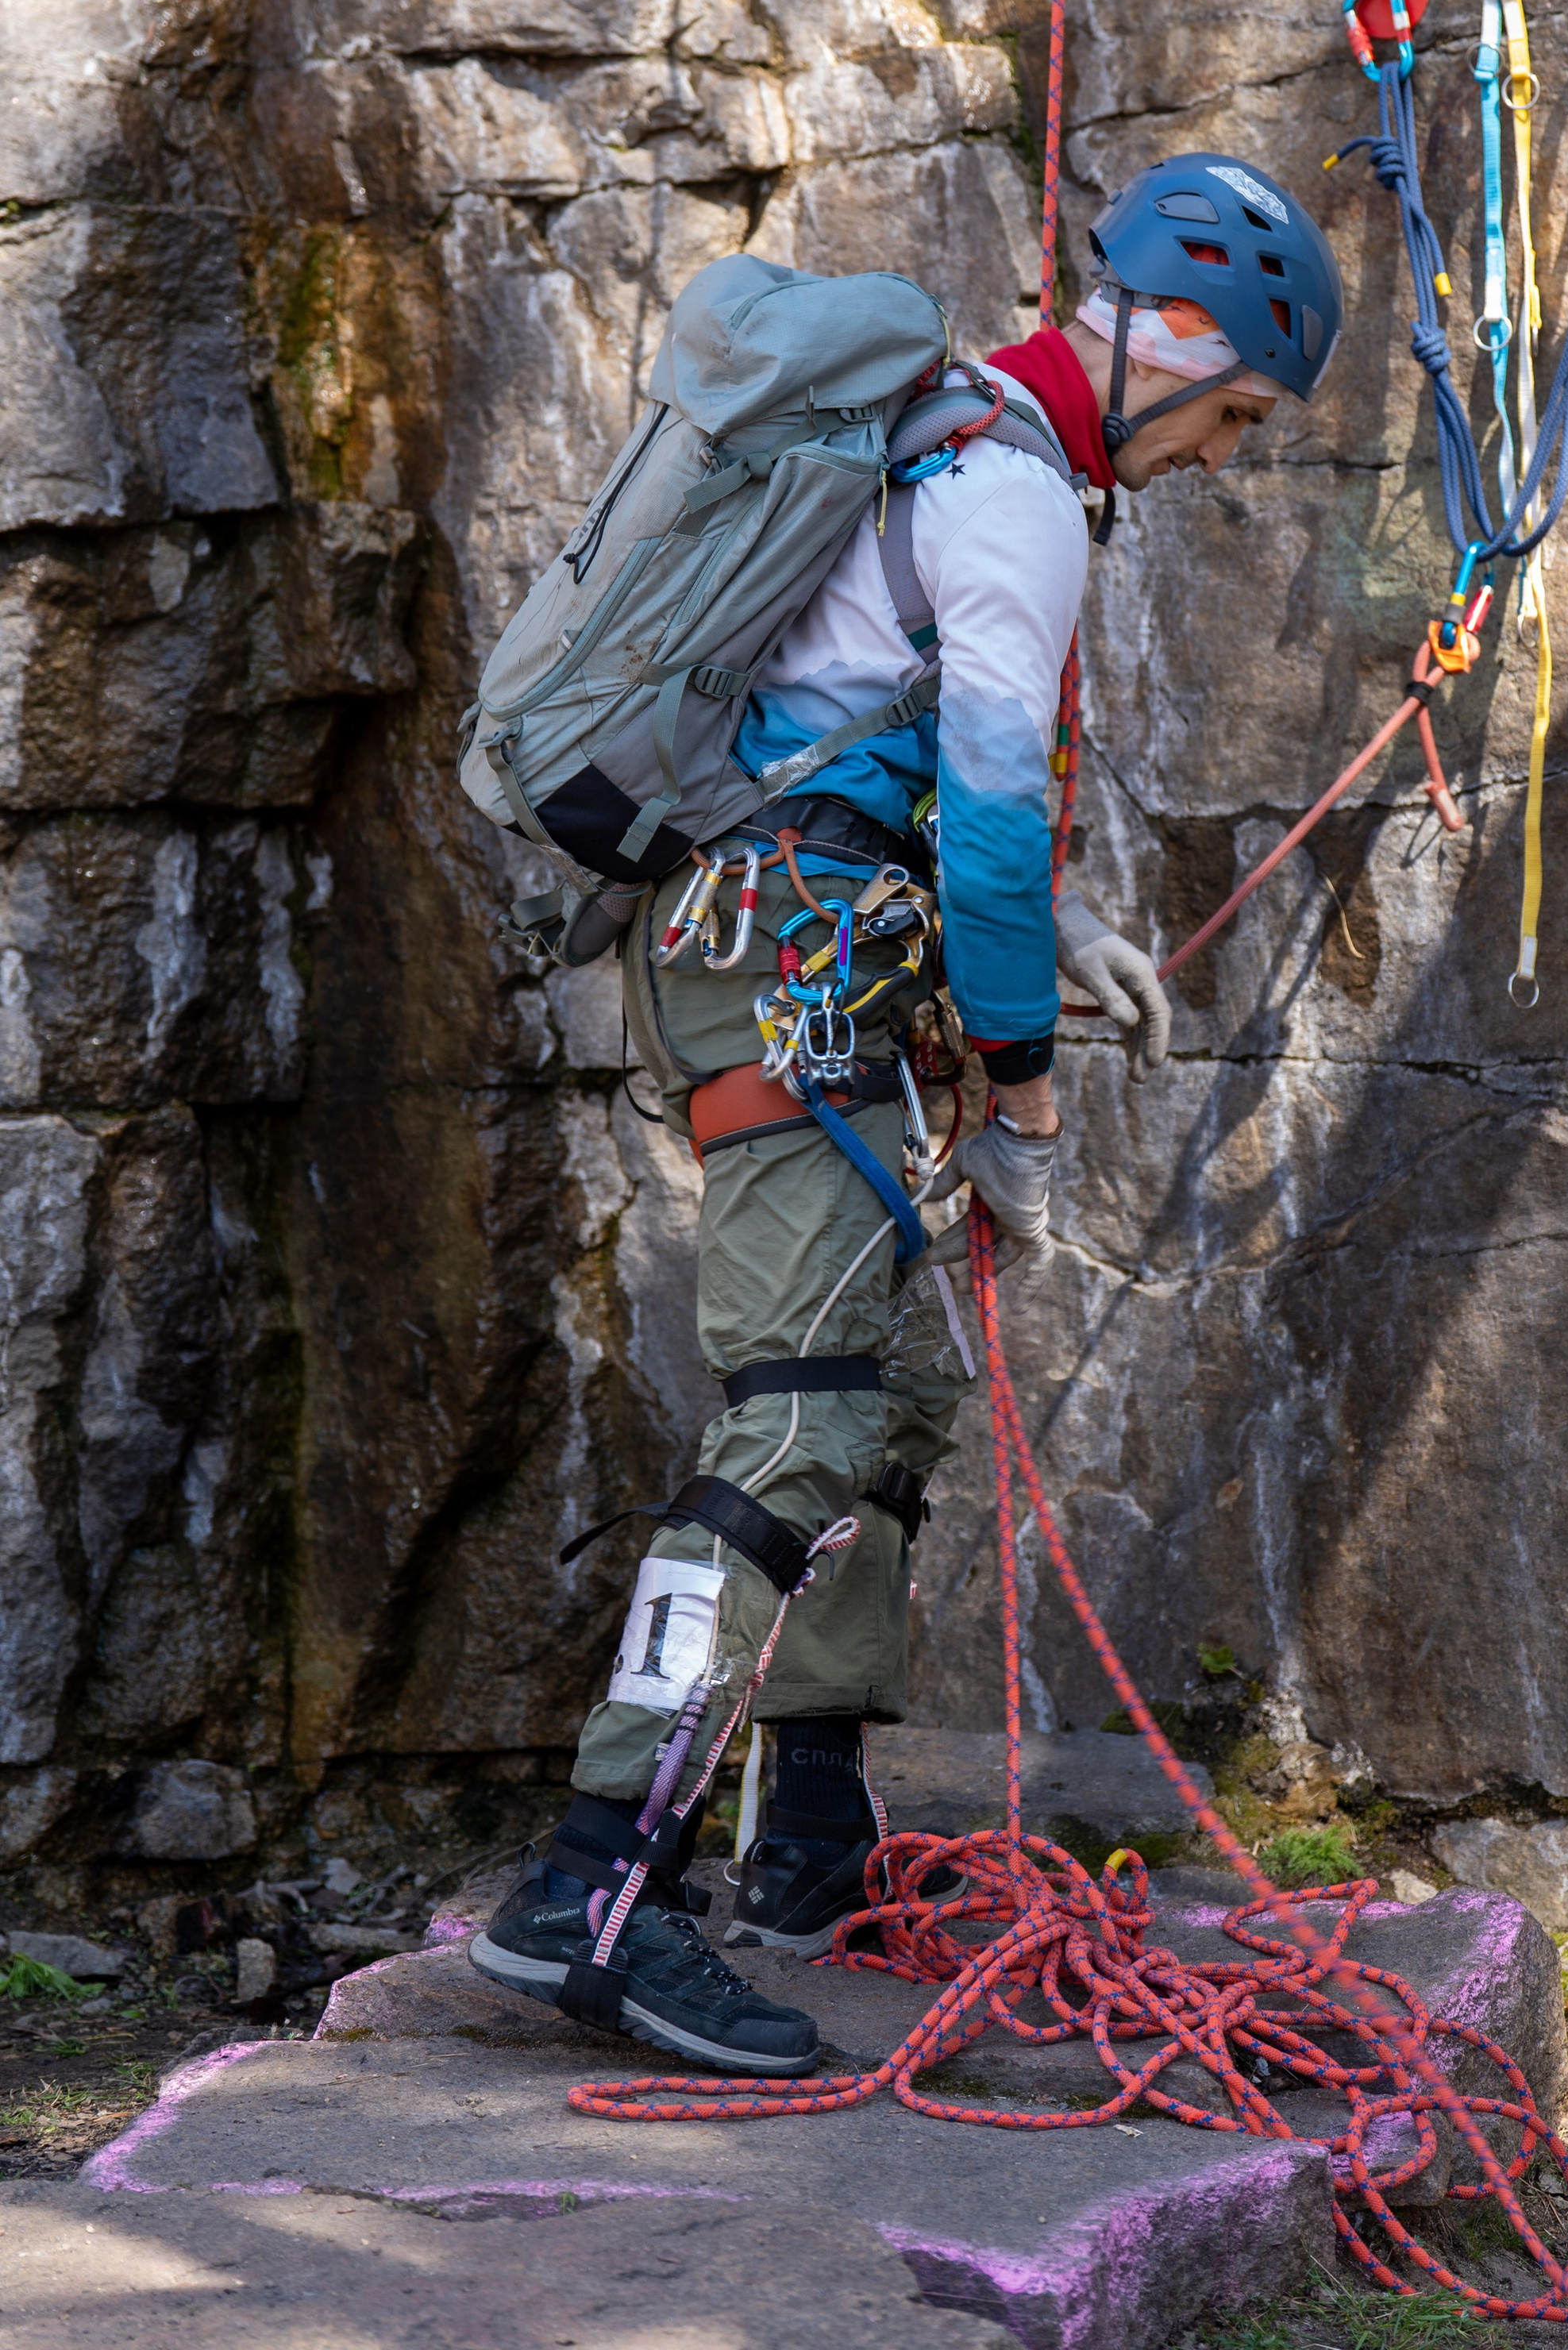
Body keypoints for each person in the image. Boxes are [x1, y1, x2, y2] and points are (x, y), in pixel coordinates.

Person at [469, 156, 1343, 2067]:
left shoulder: (956, 439)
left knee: (894, 1398)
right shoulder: (1012, 491)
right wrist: (1022, 1092)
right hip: (789, 962)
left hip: (799, 939)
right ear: (1171, 340)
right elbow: (990, 827)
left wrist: (1062, 933)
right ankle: (590, 1894)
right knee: (800, 1414)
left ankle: (804, 1845)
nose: (1217, 456)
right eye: (1233, 415)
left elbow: (861, 731)